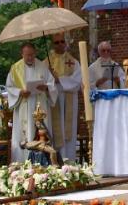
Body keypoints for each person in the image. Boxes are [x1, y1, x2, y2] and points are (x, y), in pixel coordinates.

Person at [6, 43, 57, 162]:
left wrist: (46, 87)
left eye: (32, 55)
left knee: (41, 133)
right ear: (22, 54)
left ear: (35, 53)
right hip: (24, 105)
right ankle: (23, 161)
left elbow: (51, 83)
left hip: (40, 105)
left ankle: (43, 161)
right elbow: (9, 86)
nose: (30, 58)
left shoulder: (43, 66)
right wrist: (20, 92)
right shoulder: (15, 68)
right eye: (27, 55)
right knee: (26, 134)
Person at [45, 33, 82, 162]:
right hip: (54, 99)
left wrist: (59, 79)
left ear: (65, 43)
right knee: (56, 129)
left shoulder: (73, 62)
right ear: (52, 44)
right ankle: (56, 160)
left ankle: (69, 160)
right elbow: (42, 81)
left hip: (69, 99)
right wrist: (50, 79)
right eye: (57, 42)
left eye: (62, 42)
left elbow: (77, 81)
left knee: (68, 131)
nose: (60, 44)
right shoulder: (46, 63)